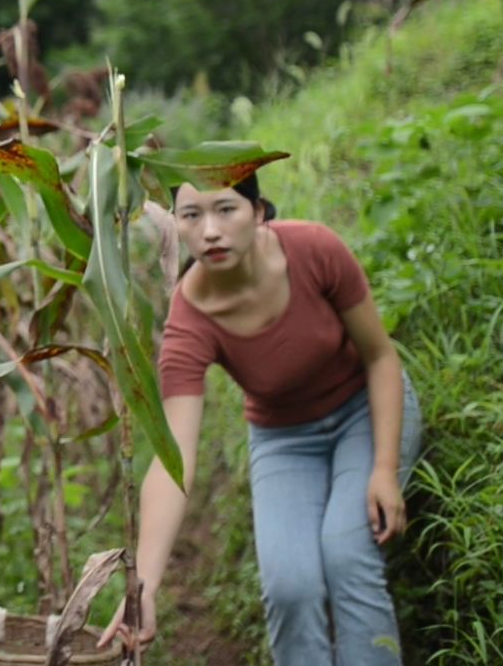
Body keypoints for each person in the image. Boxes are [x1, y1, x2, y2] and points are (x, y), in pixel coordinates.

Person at [97, 171, 422, 664]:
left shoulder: (315, 250)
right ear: (177, 230)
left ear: (259, 212)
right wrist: (145, 584)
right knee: (290, 585)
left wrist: (383, 469)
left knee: (347, 554)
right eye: (192, 215)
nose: (210, 230)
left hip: (365, 410)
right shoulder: (188, 321)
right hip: (284, 439)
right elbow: (172, 457)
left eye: (226, 209)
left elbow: (381, 357)